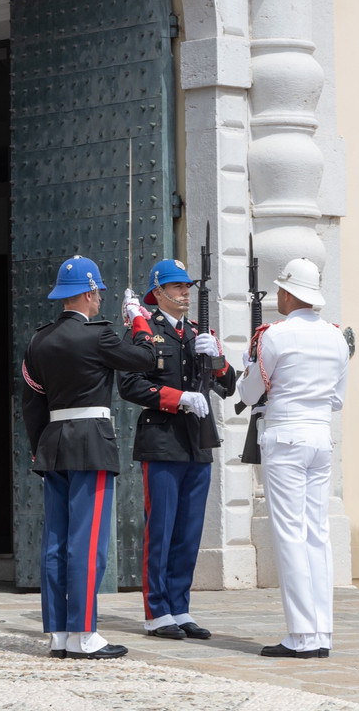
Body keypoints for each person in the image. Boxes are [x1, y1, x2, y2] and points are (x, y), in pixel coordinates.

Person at [21, 255, 156, 659]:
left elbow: (32, 405)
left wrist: (39, 450)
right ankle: (84, 634)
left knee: (56, 543)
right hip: (91, 443)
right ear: (89, 292)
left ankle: (59, 633)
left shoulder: (39, 340)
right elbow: (146, 359)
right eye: (98, 293)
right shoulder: (100, 335)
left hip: (52, 442)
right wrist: (139, 320)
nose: (100, 300)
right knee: (87, 542)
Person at [236, 257, 350, 658]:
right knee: (317, 534)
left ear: (287, 293)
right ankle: (322, 633)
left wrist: (246, 371)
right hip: (320, 437)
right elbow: (337, 399)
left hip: (285, 436)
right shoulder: (337, 338)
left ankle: (301, 634)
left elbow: (249, 394)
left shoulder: (275, 336)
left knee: (289, 535)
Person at [118, 259, 238, 641]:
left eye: (187, 287)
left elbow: (229, 386)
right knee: (162, 528)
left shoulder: (201, 333)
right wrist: (178, 398)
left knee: (188, 531)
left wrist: (216, 357)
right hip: (162, 440)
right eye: (177, 287)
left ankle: (180, 607)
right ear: (158, 292)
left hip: (198, 441)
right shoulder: (144, 333)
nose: (185, 293)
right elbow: (130, 385)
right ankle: (157, 612)